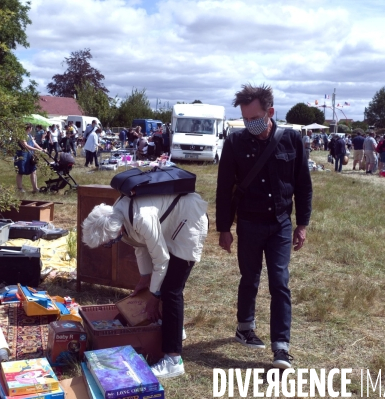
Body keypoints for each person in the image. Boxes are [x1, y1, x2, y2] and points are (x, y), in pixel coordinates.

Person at [215, 84, 312, 370]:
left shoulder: (292, 140)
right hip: (248, 222)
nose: (249, 125)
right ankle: (244, 327)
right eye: (244, 119)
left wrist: (302, 224)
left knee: (280, 283)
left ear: (270, 112)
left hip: (281, 224)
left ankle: (281, 347)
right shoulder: (235, 142)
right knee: (250, 277)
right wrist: (224, 228)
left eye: (254, 118)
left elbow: (304, 186)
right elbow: (224, 189)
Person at [81, 192, 209, 378]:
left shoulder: (141, 218)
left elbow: (161, 259)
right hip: (172, 222)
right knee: (164, 285)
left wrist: (154, 295)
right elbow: (139, 245)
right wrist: (144, 277)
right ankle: (172, 327)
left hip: (189, 222)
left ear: (117, 230)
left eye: (110, 242)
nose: (113, 244)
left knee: (171, 290)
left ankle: (173, 361)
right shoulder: (118, 213)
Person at [15, 124, 45, 193]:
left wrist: (41, 149)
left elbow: (34, 143)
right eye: (31, 128)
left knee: (33, 171)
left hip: (29, 155)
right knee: (20, 171)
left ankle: (35, 188)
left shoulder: (30, 135)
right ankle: (20, 188)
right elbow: (25, 145)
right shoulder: (22, 136)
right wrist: (36, 150)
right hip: (22, 155)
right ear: (29, 128)